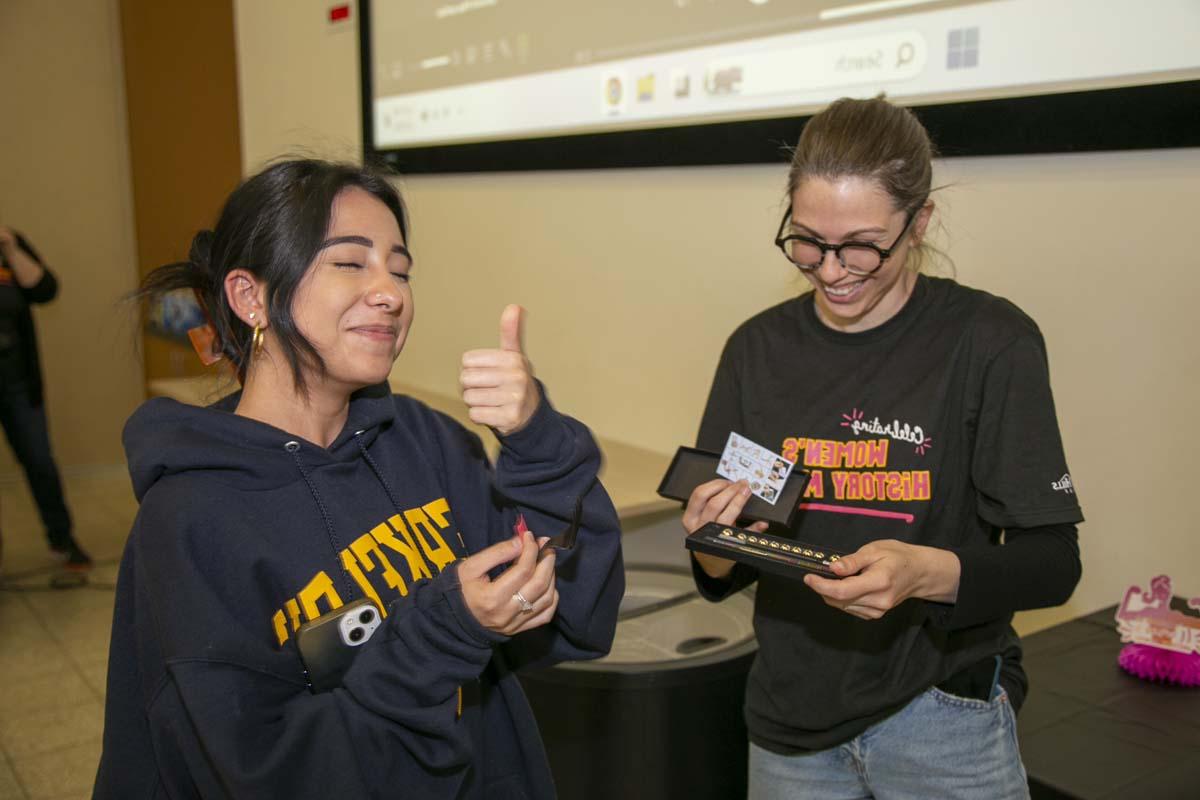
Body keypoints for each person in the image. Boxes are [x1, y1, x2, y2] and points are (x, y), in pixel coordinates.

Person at [94, 159, 624, 799]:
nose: (392, 293)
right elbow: (267, 772)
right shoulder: (189, 519)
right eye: (351, 262)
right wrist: (446, 631)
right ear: (249, 296)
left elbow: (580, 617)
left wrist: (537, 439)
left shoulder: (426, 441)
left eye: (400, 269)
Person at [683, 97, 1083, 800]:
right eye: (807, 241)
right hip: (789, 725)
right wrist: (711, 538)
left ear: (920, 222)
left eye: (862, 245)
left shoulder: (989, 343)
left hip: (940, 718)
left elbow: (1053, 565)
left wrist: (926, 573)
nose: (832, 269)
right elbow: (725, 567)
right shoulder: (757, 350)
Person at [0, 225, 90, 570]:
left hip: (19, 382)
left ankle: (62, 540)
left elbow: (45, 289)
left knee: (40, 460)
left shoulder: (11, 243)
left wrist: (11, 249)